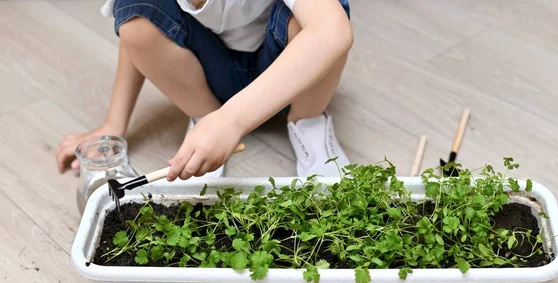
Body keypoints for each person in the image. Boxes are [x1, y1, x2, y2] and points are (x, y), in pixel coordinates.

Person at [55, 0, 353, 180]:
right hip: (212, 76)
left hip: (289, 77)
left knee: (328, 12)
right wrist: (113, 125)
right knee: (135, 14)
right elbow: (135, 33)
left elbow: (332, 31)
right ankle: (205, 119)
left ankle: (308, 122)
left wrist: (232, 121)